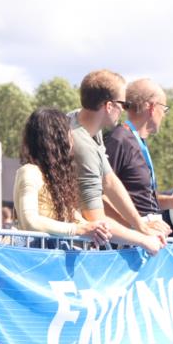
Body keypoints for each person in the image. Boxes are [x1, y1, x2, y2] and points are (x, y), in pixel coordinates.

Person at [14, 108, 159, 252]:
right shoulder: (30, 172)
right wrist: (79, 230)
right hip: (34, 259)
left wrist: (98, 230)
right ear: (58, 139)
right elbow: (30, 221)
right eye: (69, 132)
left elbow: (82, 222)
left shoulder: (56, 180)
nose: (73, 138)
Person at [68, 70, 164, 253]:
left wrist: (141, 226)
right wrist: (144, 239)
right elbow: (96, 219)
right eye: (123, 104)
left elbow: (110, 180)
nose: (125, 110)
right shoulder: (82, 146)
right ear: (109, 106)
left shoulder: (85, 123)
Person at [105, 78, 173, 231]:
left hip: (144, 235)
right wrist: (137, 226)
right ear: (152, 107)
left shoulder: (137, 141)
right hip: (127, 240)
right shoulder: (119, 139)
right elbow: (100, 197)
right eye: (164, 108)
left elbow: (140, 198)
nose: (164, 115)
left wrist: (170, 202)